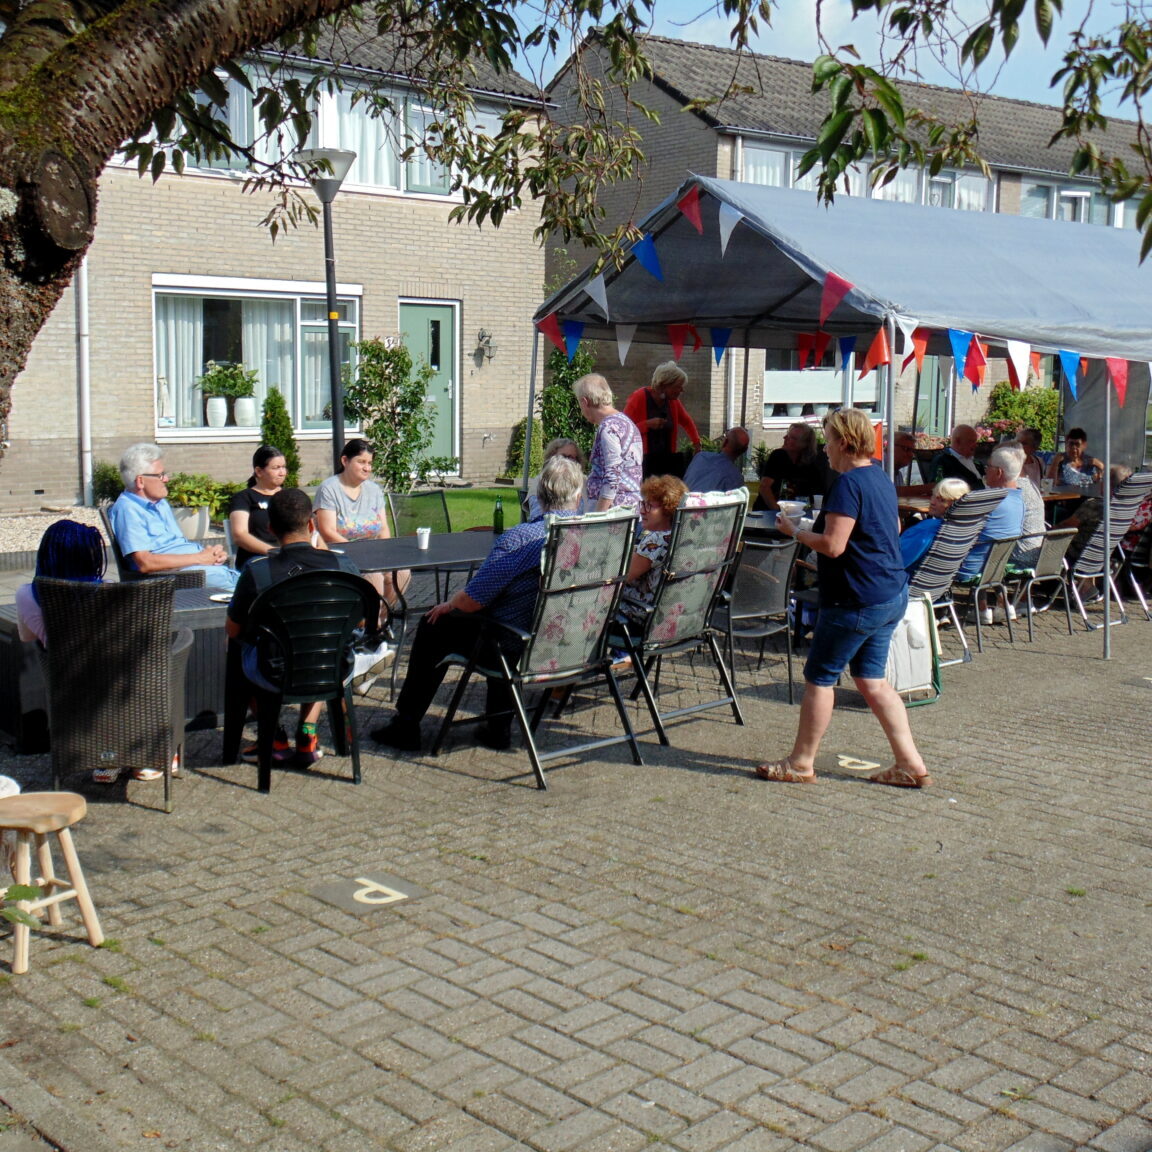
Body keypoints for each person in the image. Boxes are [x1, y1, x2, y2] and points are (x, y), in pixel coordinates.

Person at [755, 407, 931, 788]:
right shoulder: (879, 477)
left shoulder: (847, 484)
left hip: (856, 599)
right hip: (888, 591)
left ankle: (801, 763)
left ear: (845, 442)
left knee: (819, 678)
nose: (825, 450)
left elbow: (834, 545)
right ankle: (910, 763)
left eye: (829, 441)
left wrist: (795, 532)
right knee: (872, 681)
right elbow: (891, 527)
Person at [370, 455, 584, 754]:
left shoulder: (521, 539)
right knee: (507, 618)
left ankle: (406, 725)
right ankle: (498, 728)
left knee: (435, 625)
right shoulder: (592, 537)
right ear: (578, 495)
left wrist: (447, 605)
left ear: (539, 496)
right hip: (570, 643)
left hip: (516, 645)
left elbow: (471, 600)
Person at [227, 488, 366, 767]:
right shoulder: (343, 564)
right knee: (319, 646)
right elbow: (360, 620)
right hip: (334, 666)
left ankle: (274, 737)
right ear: (312, 524)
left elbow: (233, 629)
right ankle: (308, 733)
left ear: (270, 528)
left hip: (275, 672)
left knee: (235, 649)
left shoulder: (257, 571)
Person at [108, 443, 237, 592]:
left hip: (197, 571)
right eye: (160, 475)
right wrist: (200, 558)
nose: (166, 479)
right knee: (254, 590)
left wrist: (211, 554)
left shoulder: (159, 503)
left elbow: (177, 544)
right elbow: (145, 562)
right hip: (175, 580)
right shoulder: (128, 509)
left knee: (256, 578)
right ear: (140, 481)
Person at [315, 437, 399, 609]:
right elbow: (327, 530)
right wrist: (359, 553)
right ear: (345, 460)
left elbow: (383, 527)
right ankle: (368, 625)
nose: (367, 468)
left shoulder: (374, 490)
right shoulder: (329, 489)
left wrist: (386, 553)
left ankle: (380, 620)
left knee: (401, 573)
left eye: (369, 463)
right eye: (361, 462)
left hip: (373, 554)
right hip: (341, 556)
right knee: (374, 577)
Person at [956, 443, 1027, 624]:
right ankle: (995, 606)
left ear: (999, 472)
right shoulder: (1019, 500)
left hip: (970, 569)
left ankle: (940, 611)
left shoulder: (989, 501)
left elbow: (958, 530)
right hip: (997, 568)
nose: (985, 470)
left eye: (988, 467)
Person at [16, 520, 107, 646]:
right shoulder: (107, 589)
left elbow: (26, 637)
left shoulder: (26, 594)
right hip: (109, 662)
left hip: (59, 664)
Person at [618, 475, 688, 627]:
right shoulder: (678, 537)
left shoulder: (656, 540)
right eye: (642, 504)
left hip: (638, 618)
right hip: (672, 619)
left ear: (668, 509)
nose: (642, 511)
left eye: (650, 506)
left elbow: (620, 576)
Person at [622, 362, 701, 478]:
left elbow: (687, 421)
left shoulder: (673, 402)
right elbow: (623, 429)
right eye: (678, 386)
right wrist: (647, 425)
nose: (682, 390)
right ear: (664, 385)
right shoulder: (639, 398)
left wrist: (697, 443)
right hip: (643, 461)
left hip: (667, 460)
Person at [577, 373, 643, 511]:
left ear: (584, 402)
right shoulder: (627, 422)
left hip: (614, 512)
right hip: (631, 506)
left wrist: (598, 517)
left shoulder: (609, 428)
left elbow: (612, 476)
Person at [228, 445, 288, 569]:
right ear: (259, 471)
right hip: (258, 560)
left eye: (283, 467)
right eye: (276, 468)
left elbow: (310, 530)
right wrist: (275, 552)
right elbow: (239, 535)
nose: (282, 473)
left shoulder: (290, 496)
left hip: (290, 558)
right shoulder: (244, 498)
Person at [898, 478, 970, 573]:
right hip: (940, 582)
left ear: (955, 504)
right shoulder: (967, 529)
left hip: (906, 582)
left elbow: (896, 562)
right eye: (933, 496)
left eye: (941, 500)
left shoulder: (927, 529)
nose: (932, 502)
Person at [754, 422, 830, 511]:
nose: (785, 438)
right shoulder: (778, 456)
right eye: (787, 435)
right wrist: (777, 511)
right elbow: (764, 487)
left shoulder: (810, 463)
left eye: (792, 438)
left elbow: (816, 494)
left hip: (796, 513)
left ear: (804, 444)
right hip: (768, 512)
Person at [526, 438, 585, 520]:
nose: (568, 461)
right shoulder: (541, 481)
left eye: (572, 458)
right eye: (564, 457)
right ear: (552, 457)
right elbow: (538, 516)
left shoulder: (585, 482)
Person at [682, 427, 749, 492]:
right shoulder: (737, 479)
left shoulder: (701, 457)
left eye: (725, 435)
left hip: (681, 501)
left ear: (725, 442)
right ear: (744, 450)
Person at [929, 424, 985, 489]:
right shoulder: (942, 461)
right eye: (971, 441)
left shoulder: (977, 463)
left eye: (975, 441)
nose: (975, 445)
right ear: (958, 441)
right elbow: (938, 487)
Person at [892, 430, 933, 497]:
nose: (911, 454)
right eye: (906, 449)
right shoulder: (879, 467)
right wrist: (926, 488)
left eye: (912, 451)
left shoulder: (898, 474)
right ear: (891, 446)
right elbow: (890, 492)